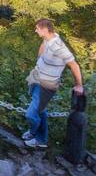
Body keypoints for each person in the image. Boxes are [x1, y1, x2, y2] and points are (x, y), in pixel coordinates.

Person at [23, 18, 85, 149]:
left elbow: (74, 65)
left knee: (31, 114)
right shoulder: (49, 38)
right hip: (37, 79)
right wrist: (39, 60)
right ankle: (41, 138)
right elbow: (43, 44)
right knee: (41, 111)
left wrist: (79, 85)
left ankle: (37, 137)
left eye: (37, 28)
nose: (35, 30)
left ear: (44, 29)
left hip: (47, 86)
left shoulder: (58, 46)